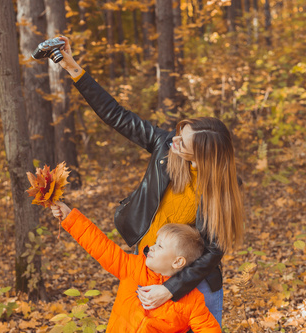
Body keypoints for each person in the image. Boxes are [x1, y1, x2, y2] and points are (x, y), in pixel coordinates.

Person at [55, 36, 244, 327]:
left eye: (185, 141)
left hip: (193, 282)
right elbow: (117, 116)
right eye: (180, 132)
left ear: (204, 156)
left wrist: (170, 289)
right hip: (146, 267)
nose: (175, 140)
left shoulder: (220, 188)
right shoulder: (165, 146)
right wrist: (75, 70)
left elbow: (212, 252)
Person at [51, 202, 222, 333]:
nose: (152, 247)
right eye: (155, 242)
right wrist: (70, 218)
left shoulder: (192, 300)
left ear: (177, 262)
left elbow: (208, 328)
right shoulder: (131, 267)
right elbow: (100, 246)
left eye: (160, 246)